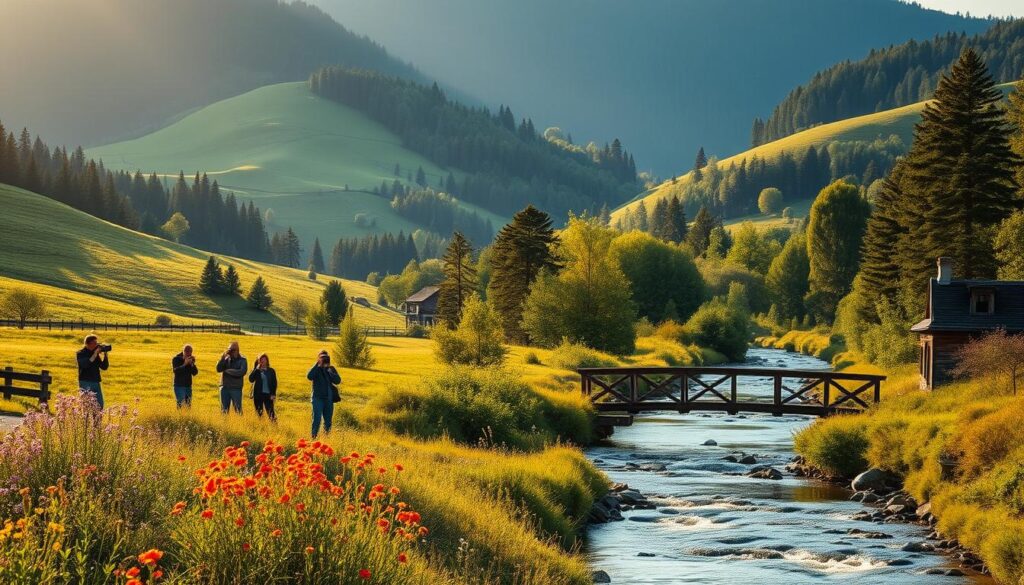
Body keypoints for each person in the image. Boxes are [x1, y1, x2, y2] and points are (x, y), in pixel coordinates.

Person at [307, 349, 341, 438]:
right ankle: (313, 439)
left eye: (326, 357)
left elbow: (338, 381)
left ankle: (326, 439)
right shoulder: (316, 369)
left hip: (328, 399)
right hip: (317, 398)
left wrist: (330, 372)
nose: (324, 359)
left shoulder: (331, 368)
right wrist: (317, 364)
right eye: (322, 358)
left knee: (328, 421)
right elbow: (309, 376)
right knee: (317, 419)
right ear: (318, 358)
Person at [76, 334, 109, 409]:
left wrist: (105, 355)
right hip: (85, 382)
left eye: (97, 343)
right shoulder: (80, 353)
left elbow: (104, 367)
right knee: (86, 406)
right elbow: (86, 364)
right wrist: (95, 354)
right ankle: (86, 420)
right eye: (94, 343)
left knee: (100, 405)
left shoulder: (95, 354)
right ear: (87, 344)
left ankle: (97, 420)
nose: (96, 345)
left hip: (96, 382)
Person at [216, 341, 247, 414]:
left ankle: (239, 424)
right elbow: (218, 369)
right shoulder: (226, 359)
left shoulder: (242, 360)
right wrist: (222, 358)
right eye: (229, 349)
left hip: (235, 388)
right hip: (224, 387)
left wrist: (227, 371)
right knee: (224, 411)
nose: (230, 351)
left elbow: (241, 372)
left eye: (232, 349)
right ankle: (224, 425)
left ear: (237, 350)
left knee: (238, 410)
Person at [248, 353, 277, 421]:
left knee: (271, 413)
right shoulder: (257, 371)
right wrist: (256, 369)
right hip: (258, 395)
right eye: (261, 359)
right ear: (258, 361)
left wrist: (273, 394)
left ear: (267, 360)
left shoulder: (271, 371)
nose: (263, 361)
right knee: (259, 414)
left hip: (268, 395)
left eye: (264, 359)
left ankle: (275, 428)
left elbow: (274, 383)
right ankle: (261, 427)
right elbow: (251, 379)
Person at [171, 344, 199, 408]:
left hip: (188, 386)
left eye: (190, 352)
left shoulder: (190, 359)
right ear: (183, 351)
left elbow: (195, 373)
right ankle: (180, 418)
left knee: (188, 406)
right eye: (187, 352)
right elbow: (176, 371)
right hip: (179, 386)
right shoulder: (176, 359)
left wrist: (192, 364)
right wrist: (184, 364)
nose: (188, 354)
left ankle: (186, 418)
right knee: (181, 405)